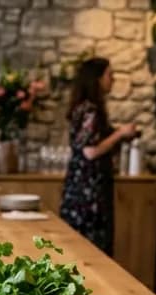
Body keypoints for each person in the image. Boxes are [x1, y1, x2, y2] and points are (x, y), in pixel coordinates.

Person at [59, 57, 138, 257]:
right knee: (92, 250)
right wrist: (119, 134)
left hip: (79, 188)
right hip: (89, 191)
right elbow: (90, 151)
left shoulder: (81, 107)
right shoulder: (90, 111)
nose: (113, 79)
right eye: (109, 75)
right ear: (97, 79)